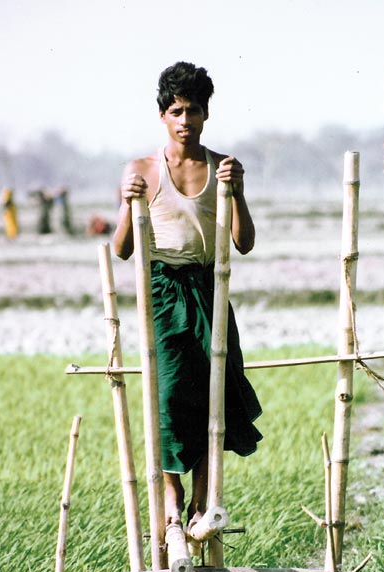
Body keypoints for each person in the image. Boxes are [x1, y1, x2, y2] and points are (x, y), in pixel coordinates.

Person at [113, 61, 262, 532]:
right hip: (162, 291)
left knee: (214, 392)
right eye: (176, 110)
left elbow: (244, 242)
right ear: (163, 116)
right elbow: (122, 250)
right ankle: (172, 500)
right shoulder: (142, 170)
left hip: (208, 287)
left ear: (205, 114)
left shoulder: (223, 168)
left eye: (193, 110)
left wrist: (235, 193)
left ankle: (203, 501)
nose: (185, 120)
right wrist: (126, 201)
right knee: (170, 394)